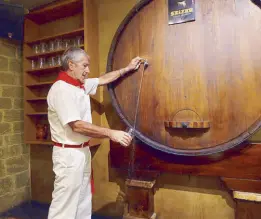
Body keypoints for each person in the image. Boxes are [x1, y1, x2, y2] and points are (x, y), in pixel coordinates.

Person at [47, 47, 143, 219]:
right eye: (85, 65)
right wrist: (111, 133)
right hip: (68, 154)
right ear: (71, 65)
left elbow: (103, 79)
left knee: (83, 202)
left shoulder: (79, 85)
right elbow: (77, 125)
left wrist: (127, 69)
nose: (88, 70)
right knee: (64, 207)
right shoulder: (61, 90)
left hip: (82, 152)